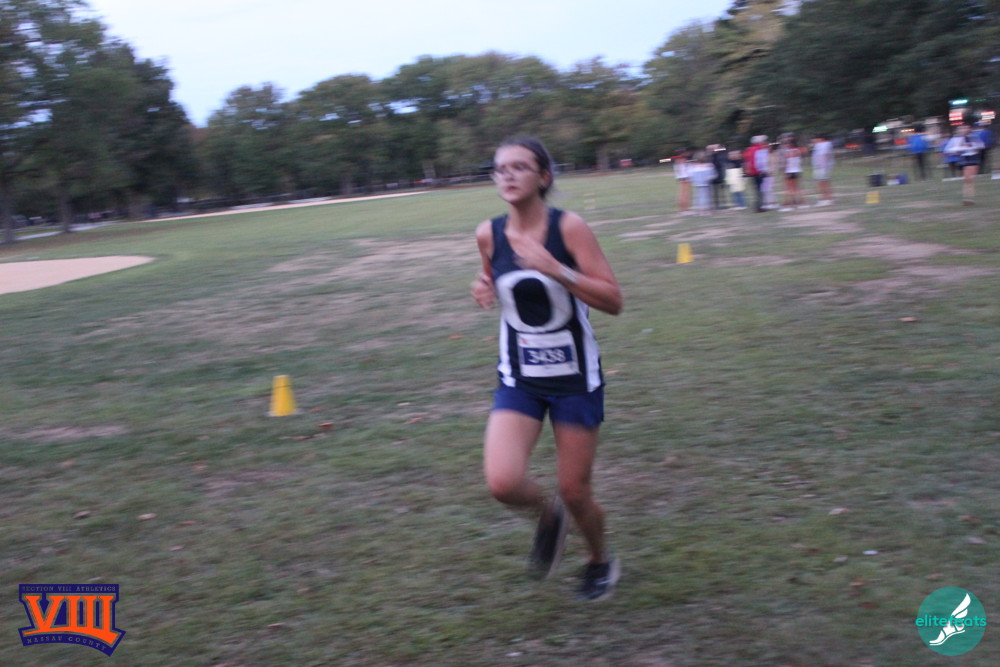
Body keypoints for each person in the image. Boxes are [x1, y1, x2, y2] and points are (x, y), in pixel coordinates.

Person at [471, 136, 623, 601]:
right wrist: (483, 285)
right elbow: (492, 275)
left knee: (576, 491)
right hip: (520, 377)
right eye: (501, 168)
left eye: (520, 166)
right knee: (502, 482)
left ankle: (599, 560)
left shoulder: (569, 228)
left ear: (543, 177)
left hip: (575, 379)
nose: (508, 175)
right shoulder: (488, 233)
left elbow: (613, 300)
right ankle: (548, 514)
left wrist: (558, 269)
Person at [944, 124, 986, 205]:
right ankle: (967, 198)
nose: (963, 130)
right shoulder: (955, 139)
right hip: (963, 158)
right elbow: (948, 149)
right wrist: (955, 151)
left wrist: (971, 146)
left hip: (973, 158)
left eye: (965, 128)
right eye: (961, 128)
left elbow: (981, 145)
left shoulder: (974, 137)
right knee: (966, 179)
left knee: (969, 178)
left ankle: (968, 198)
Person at [779, 133, 806, 210]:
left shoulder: (787, 152)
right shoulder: (797, 150)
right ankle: (800, 201)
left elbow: (786, 162)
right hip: (797, 170)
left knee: (789, 188)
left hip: (789, 171)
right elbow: (800, 160)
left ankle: (791, 203)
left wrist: (783, 168)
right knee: (797, 187)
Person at [811, 134, 835, 206]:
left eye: (816, 138)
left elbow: (825, 155)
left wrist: (824, 167)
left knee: (824, 183)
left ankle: (828, 199)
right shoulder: (817, 145)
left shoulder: (826, 144)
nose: (814, 140)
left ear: (821, 138)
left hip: (823, 167)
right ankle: (824, 198)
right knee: (820, 183)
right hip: (818, 167)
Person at [689, 151, 715, 215]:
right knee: (706, 197)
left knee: (699, 197)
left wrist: (694, 180)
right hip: (706, 184)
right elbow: (712, 175)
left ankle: (700, 210)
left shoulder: (693, 166)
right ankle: (705, 210)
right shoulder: (709, 165)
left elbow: (691, 176)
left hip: (697, 184)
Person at [672, 149, 692, 215]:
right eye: (685, 153)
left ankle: (682, 209)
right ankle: (685, 209)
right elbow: (684, 170)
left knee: (681, 194)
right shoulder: (682, 160)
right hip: (685, 178)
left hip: (680, 178)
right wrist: (687, 178)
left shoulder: (676, 161)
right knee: (685, 194)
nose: (686, 154)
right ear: (682, 153)